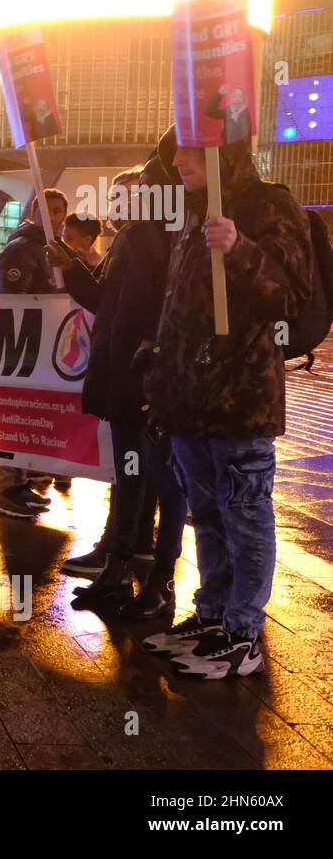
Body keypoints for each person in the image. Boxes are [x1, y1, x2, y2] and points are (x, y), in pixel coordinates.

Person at [140, 132, 312, 678]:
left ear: (223, 153)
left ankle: (243, 631)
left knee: (245, 515)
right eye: (176, 153)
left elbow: (288, 292)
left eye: (190, 151)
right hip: (192, 400)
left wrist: (239, 248)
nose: (179, 162)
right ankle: (212, 614)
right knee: (208, 514)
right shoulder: (191, 213)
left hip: (241, 400)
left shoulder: (268, 203)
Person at [45, 155, 186, 619]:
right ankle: (126, 553)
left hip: (136, 378)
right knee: (135, 469)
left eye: (131, 191)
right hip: (129, 375)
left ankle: (125, 558)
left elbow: (137, 310)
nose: (119, 202)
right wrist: (67, 263)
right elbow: (105, 300)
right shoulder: (141, 237)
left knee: (137, 469)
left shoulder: (150, 238)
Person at [0, 187, 67, 517]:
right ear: (34, 213)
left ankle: (18, 482)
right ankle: (5, 488)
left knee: (24, 417)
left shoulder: (52, 250)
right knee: (9, 415)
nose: (54, 217)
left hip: (42, 348)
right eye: (46, 211)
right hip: (20, 350)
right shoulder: (21, 250)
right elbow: (13, 303)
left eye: (59, 211)